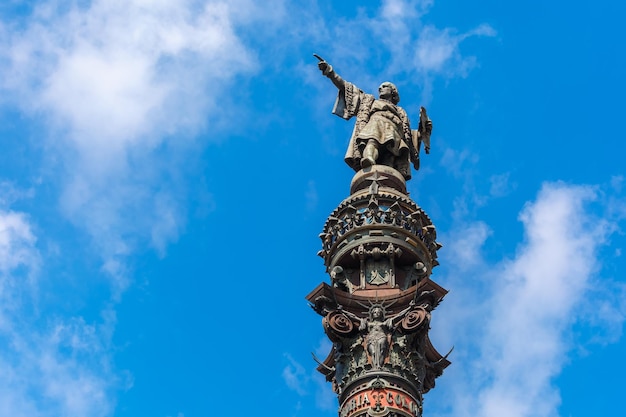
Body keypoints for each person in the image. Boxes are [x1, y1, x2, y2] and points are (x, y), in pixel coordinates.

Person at [316, 56, 431, 180]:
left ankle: (388, 176)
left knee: (391, 156)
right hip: (376, 123)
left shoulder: (400, 112)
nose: (380, 88)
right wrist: (330, 72)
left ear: (393, 92)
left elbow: (409, 135)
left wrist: (422, 132)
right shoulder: (369, 101)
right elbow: (346, 88)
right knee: (371, 142)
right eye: (380, 87)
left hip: (394, 131)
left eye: (384, 86)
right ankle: (369, 159)